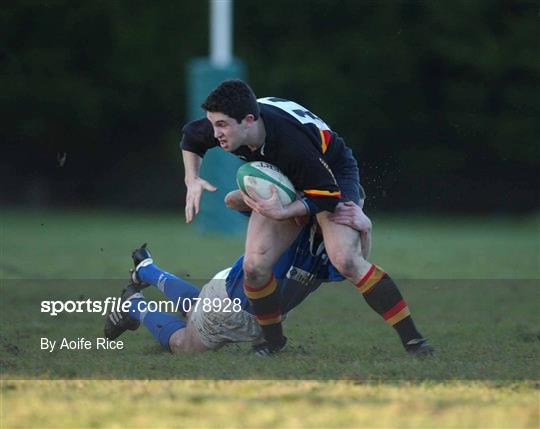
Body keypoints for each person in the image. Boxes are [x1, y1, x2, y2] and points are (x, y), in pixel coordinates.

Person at [180, 80, 431, 354]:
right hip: (283, 173)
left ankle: (414, 340)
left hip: (330, 175)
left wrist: (286, 211)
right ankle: (273, 342)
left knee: (346, 260)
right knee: (254, 266)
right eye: (213, 124)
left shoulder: (291, 144)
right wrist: (192, 179)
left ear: (249, 121)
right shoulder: (228, 123)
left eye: (222, 125)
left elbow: (325, 195)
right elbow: (191, 137)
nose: (215, 133)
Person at [104, 202, 432, 357]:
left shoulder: (333, 254)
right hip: (233, 305)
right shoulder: (288, 216)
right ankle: (136, 305)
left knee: (196, 307)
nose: (343, 220)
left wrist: (366, 227)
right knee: (186, 346)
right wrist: (274, 194)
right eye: (342, 212)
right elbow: (233, 199)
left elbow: (358, 268)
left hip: (239, 298)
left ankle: (145, 268)